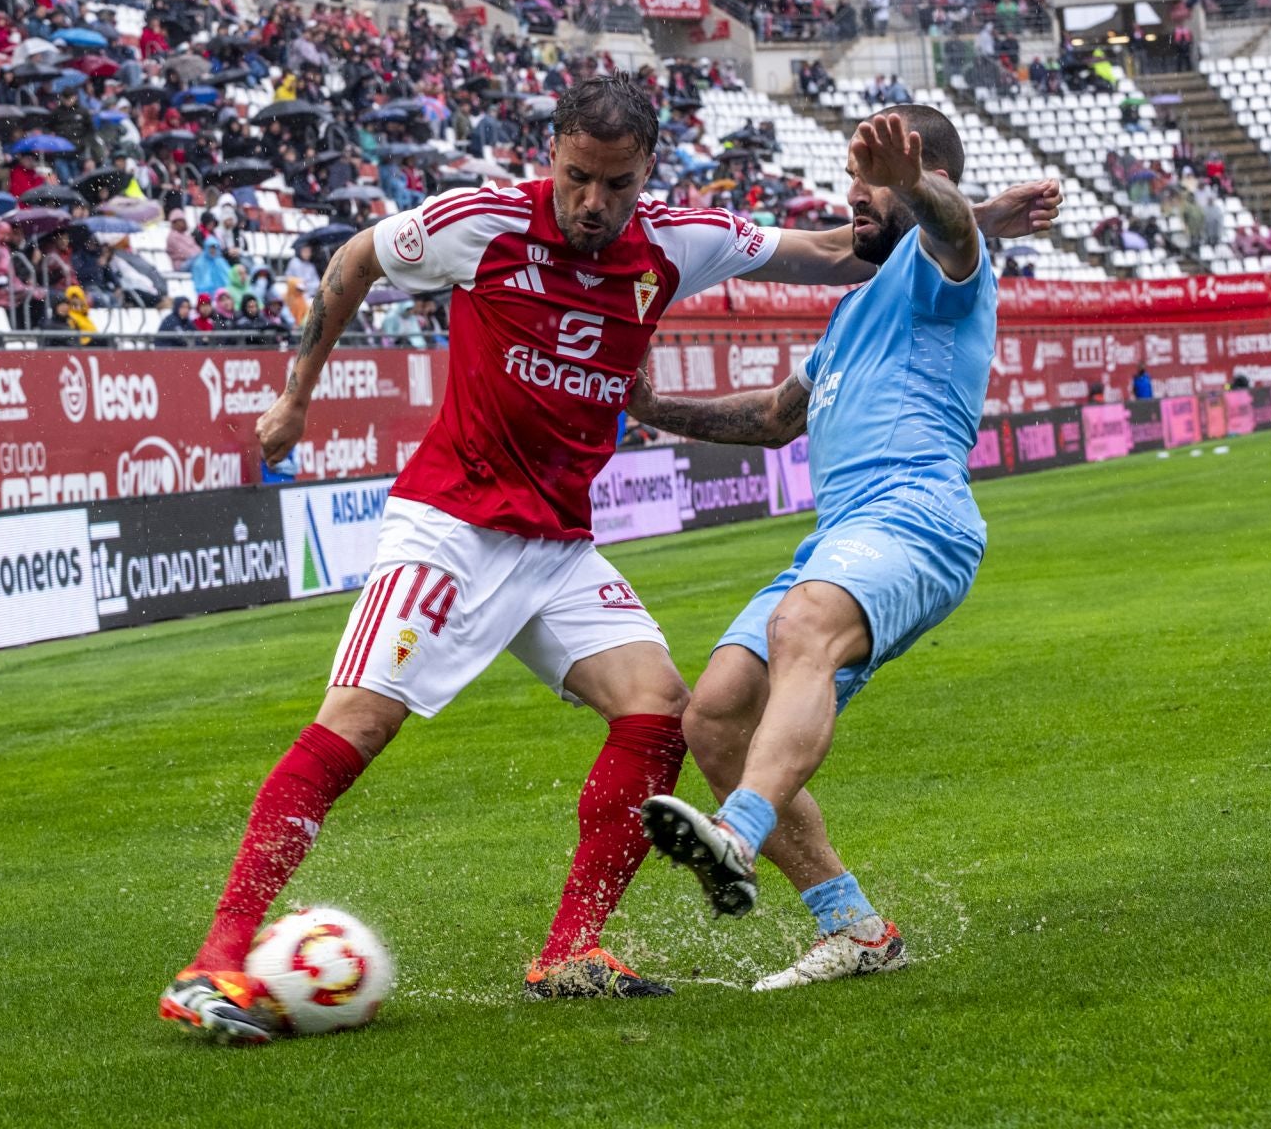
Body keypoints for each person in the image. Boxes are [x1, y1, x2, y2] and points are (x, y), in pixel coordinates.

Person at [159, 77, 1060, 1041]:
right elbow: (353, 260)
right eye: (579, 178)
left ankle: (571, 950)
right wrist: (297, 398)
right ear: (552, 157)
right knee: (362, 723)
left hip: (559, 543)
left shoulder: (677, 240)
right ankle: (215, 960)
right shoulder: (482, 223)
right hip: (453, 522)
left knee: (664, 713)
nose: (595, 204)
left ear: (646, 175)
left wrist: (968, 213)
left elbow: (839, 251)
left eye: (617, 185)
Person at [626, 108, 1059, 992]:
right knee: (712, 714)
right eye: (851, 179)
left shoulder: (948, 268)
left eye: (869, 180)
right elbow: (776, 418)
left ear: (918, 173)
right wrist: (651, 409)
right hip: (841, 532)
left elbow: (955, 225)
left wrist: (917, 184)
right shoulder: (855, 308)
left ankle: (737, 834)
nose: (851, 197)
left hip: (916, 518)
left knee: (803, 626)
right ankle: (854, 926)